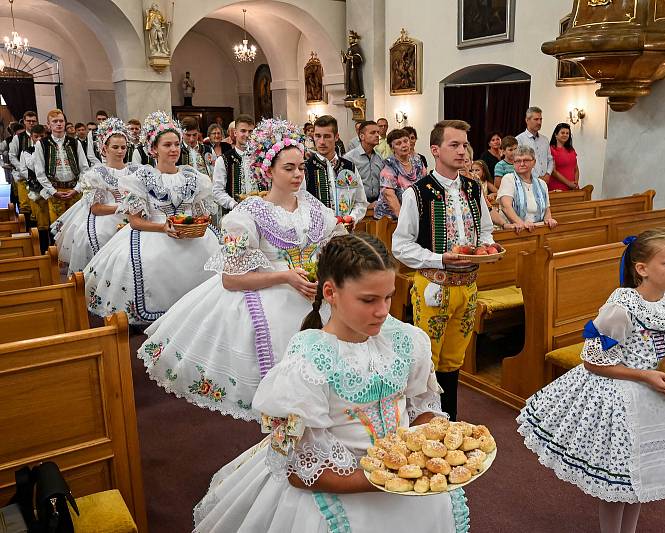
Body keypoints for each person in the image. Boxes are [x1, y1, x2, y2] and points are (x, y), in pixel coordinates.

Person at [192, 233, 469, 532]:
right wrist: (387, 478)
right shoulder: (308, 362)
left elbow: (422, 406)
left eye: (388, 296)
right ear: (330, 293)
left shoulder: (405, 340)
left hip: (411, 483)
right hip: (346, 485)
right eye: (368, 299)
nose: (383, 310)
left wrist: (429, 446)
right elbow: (298, 470)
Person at [517, 227, 665, 533]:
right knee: (619, 479)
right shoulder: (622, 308)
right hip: (623, 397)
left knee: (640, 476)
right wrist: (644, 375)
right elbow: (593, 360)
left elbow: (659, 343)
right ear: (642, 269)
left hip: (657, 392)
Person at [137, 118, 342, 420]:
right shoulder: (246, 214)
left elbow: (338, 241)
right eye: (289, 168)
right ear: (268, 170)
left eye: (301, 167)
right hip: (270, 292)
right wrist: (285, 276)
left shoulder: (312, 205)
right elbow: (231, 279)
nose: (298, 174)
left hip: (315, 292)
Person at [392, 119, 495, 420]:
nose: (462, 151)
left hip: (468, 287)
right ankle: (423, 423)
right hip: (432, 287)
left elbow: (486, 230)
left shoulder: (474, 189)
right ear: (435, 150)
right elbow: (400, 246)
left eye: (464, 145)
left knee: (454, 361)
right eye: (454, 145)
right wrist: (440, 259)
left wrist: (485, 248)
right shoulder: (418, 192)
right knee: (428, 362)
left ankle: (450, 421)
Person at [83, 110, 218, 326]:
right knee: (151, 261)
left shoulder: (193, 177)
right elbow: (135, 222)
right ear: (153, 149)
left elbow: (203, 214)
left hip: (190, 235)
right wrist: (163, 228)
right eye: (167, 145)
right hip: (154, 233)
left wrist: (198, 223)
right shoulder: (139, 179)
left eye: (176, 144)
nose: (174, 149)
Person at [52, 118, 136, 274]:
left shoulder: (136, 170)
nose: (120, 151)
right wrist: (123, 207)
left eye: (123, 147)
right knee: (98, 235)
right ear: (104, 149)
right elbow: (96, 208)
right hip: (106, 216)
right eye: (115, 147)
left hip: (133, 215)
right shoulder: (95, 174)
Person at [305, 114, 368, 224]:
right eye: (317, 136)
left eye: (327, 136)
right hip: (316, 235)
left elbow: (360, 202)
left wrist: (352, 217)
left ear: (336, 137)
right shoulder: (305, 168)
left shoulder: (349, 166)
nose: (321, 141)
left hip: (344, 234)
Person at [33, 109, 90, 222]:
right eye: (55, 121)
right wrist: (53, 191)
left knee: (77, 224)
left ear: (65, 122)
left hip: (74, 189)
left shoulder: (74, 142)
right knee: (58, 227)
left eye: (61, 121)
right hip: (55, 190)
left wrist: (77, 189)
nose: (59, 124)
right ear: (49, 125)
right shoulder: (42, 144)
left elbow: (84, 169)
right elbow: (39, 172)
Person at [497, 145, 557, 231]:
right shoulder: (508, 179)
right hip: (516, 229)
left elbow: (546, 208)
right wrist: (522, 223)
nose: (521, 164)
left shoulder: (542, 183)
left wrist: (549, 220)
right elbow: (506, 207)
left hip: (538, 228)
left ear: (534, 162)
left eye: (526, 160)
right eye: (517, 161)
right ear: (513, 163)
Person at [212, 114, 260, 217]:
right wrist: (234, 205)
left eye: (250, 131)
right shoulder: (223, 160)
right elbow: (217, 192)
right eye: (243, 131)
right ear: (235, 133)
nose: (247, 135)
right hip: (235, 216)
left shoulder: (261, 158)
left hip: (261, 215)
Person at [373, 128, 427, 220]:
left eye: (405, 141)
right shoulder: (389, 166)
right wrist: (403, 219)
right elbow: (389, 195)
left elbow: (424, 184)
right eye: (398, 143)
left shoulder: (418, 161)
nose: (404, 145)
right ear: (392, 147)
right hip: (389, 218)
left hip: (413, 213)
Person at [20, 124, 50, 252]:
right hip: (37, 189)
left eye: (41, 136)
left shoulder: (50, 148)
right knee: (42, 223)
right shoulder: (27, 151)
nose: (39, 139)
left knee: (55, 221)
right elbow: (28, 167)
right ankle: (44, 251)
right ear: (31, 137)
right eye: (36, 137)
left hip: (52, 188)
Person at [9, 110, 38, 223]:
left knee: (38, 204)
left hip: (39, 175)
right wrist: (23, 170)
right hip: (23, 176)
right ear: (24, 122)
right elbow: (12, 156)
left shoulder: (42, 135)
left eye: (33, 121)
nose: (31, 123)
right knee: (25, 205)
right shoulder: (18, 138)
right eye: (29, 121)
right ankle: (28, 231)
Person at [344, 120, 384, 204]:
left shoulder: (379, 157)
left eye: (377, 132)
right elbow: (347, 187)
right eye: (372, 133)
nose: (377, 135)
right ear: (362, 136)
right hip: (358, 204)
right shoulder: (349, 158)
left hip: (377, 202)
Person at [515, 106, 554, 182]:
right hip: (528, 181)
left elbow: (550, 159)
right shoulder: (519, 140)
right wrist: (537, 177)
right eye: (536, 119)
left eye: (540, 119)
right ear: (527, 120)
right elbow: (520, 163)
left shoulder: (545, 140)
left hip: (545, 181)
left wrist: (548, 174)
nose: (539, 122)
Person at [548, 123, 580, 192]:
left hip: (572, 188)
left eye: (567, 133)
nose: (565, 135)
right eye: (562, 133)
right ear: (556, 135)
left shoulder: (571, 149)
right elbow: (553, 172)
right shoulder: (551, 149)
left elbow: (576, 168)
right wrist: (569, 184)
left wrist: (576, 182)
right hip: (557, 188)